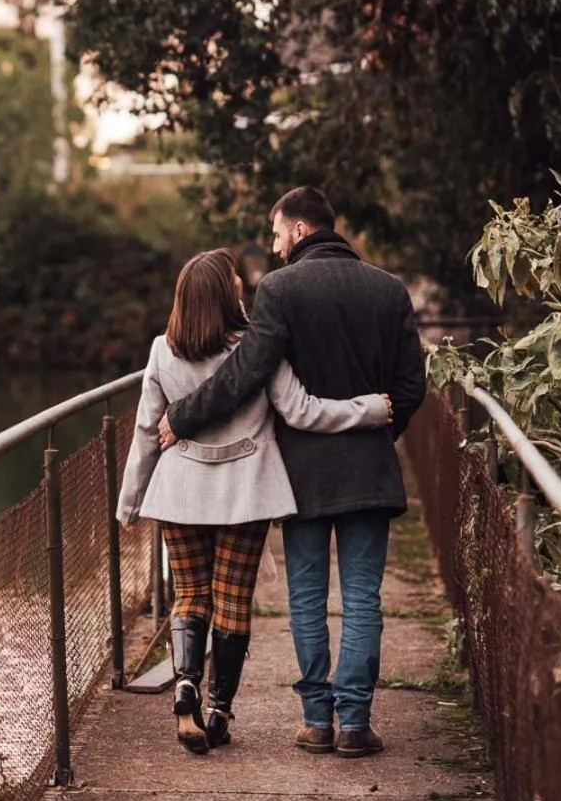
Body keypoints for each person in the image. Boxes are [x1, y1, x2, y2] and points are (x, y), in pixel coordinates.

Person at [158, 187, 426, 758]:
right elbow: (410, 388)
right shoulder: (389, 288)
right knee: (361, 598)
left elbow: (246, 374)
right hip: (372, 471)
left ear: (301, 230)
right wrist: (377, 436)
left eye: (278, 234)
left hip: (301, 474)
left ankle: (316, 722)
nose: (276, 248)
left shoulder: (279, 290)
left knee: (306, 597)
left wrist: (180, 417)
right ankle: (354, 723)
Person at [117, 248, 392, 755]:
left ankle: (185, 686)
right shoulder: (258, 349)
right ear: (226, 293)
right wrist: (370, 409)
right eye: (234, 278)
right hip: (244, 493)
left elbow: (144, 432)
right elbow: (302, 412)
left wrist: (129, 504)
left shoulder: (162, 350)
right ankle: (219, 710)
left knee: (190, 596)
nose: (242, 282)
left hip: (179, 491)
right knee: (232, 603)